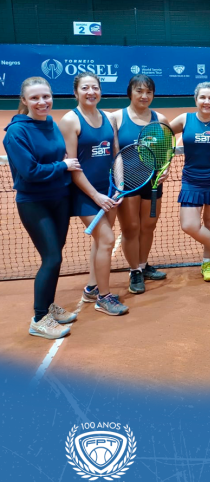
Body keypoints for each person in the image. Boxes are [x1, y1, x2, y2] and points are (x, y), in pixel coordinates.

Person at [3, 78, 80, 339]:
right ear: (24, 100)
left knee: (56, 255)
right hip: (34, 202)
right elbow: (29, 171)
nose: (42, 102)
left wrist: (63, 166)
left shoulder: (51, 123)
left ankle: (48, 307)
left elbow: (59, 155)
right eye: (35, 98)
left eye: (46, 96)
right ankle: (39, 319)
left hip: (60, 199)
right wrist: (63, 166)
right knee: (52, 258)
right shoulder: (17, 132)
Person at [59, 73, 129, 316]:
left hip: (109, 190)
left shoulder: (109, 117)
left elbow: (116, 154)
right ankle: (104, 297)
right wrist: (96, 196)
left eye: (95, 87)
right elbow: (73, 166)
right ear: (75, 92)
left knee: (100, 241)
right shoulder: (70, 120)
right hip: (84, 192)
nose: (91, 92)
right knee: (107, 240)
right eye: (85, 88)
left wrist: (119, 185)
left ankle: (91, 288)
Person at [109, 75, 170, 294]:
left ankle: (143, 266)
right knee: (131, 228)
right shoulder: (116, 118)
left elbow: (166, 150)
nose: (144, 96)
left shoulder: (160, 119)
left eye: (149, 92)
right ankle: (134, 270)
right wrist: (119, 183)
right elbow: (115, 153)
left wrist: (166, 169)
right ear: (130, 92)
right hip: (128, 182)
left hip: (152, 182)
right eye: (139, 91)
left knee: (148, 226)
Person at [170, 82, 210, 282]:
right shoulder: (184, 119)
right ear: (196, 99)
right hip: (191, 180)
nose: (207, 101)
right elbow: (161, 135)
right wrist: (163, 162)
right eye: (203, 97)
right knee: (189, 224)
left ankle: (207, 263)